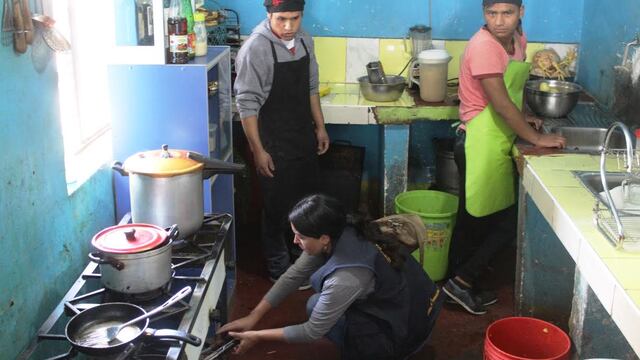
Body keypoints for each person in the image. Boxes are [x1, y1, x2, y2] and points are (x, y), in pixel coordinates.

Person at [444, 0, 566, 315]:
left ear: (520, 13)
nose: (499, 21)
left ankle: (459, 283)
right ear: (484, 14)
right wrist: (535, 137)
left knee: (480, 220)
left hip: (497, 138)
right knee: (487, 220)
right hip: (477, 142)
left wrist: (524, 116)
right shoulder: (483, 46)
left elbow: (514, 90)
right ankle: (458, 282)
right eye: (491, 13)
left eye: (507, 13)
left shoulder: (518, 40)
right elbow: (499, 103)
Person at [219, 194, 444, 360]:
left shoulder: (348, 276)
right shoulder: (341, 226)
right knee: (316, 303)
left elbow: (311, 331)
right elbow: (294, 275)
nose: (295, 242)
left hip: (409, 326)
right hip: (410, 300)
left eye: (300, 236)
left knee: (329, 316)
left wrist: (257, 336)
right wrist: (254, 316)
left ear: (324, 238)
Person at [234, 0, 330, 285]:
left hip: (301, 136)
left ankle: (299, 261)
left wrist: (320, 127)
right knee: (277, 208)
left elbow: (312, 88)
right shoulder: (256, 48)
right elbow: (247, 104)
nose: (289, 27)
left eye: (295, 18)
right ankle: (278, 268)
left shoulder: (304, 40)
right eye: (282, 20)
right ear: (269, 15)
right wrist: (258, 150)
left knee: (304, 203)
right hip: (272, 140)